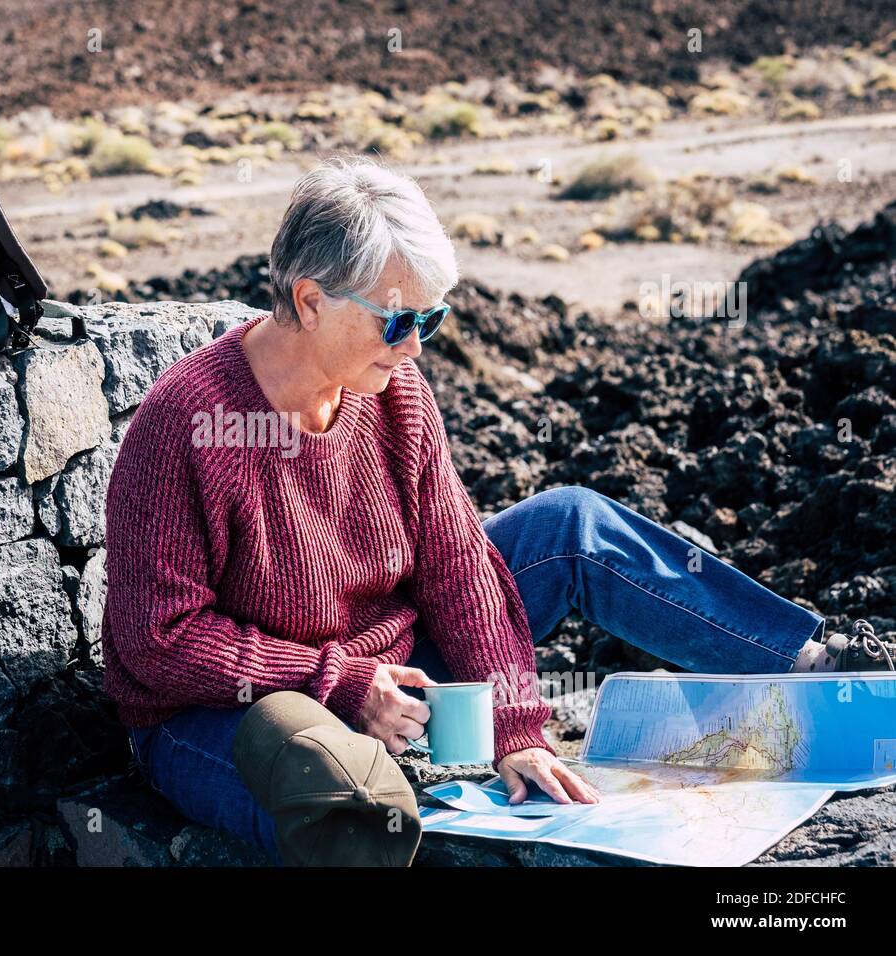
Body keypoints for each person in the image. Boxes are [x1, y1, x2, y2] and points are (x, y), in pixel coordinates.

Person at [99, 155, 896, 865]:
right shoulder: (188, 423)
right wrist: (337, 682)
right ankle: (387, 789)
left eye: (432, 320)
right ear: (309, 301)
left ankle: (819, 674)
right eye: (399, 319)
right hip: (226, 710)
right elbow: (158, 642)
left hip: (393, 670)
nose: (416, 345)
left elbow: (458, 562)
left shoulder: (392, 389)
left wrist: (513, 722)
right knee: (352, 806)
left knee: (570, 528)